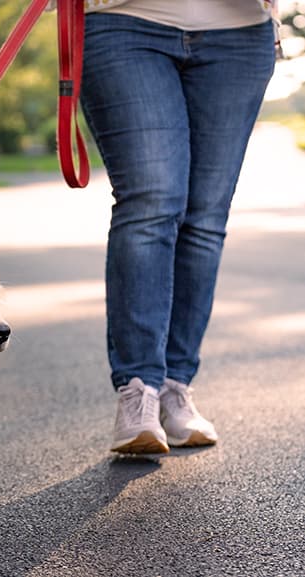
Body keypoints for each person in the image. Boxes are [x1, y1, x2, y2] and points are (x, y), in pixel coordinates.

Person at [77, 0, 279, 453]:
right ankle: (138, 391)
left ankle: (173, 386)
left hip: (240, 30)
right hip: (123, 19)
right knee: (152, 200)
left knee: (206, 217)